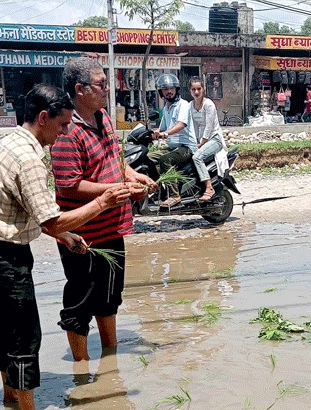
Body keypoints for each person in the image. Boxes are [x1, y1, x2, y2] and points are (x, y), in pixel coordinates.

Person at [0, 84, 131, 410]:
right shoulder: (28, 158)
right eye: (62, 125)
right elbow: (52, 220)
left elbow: (31, 211)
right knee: (24, 334)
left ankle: (10, 397)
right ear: (43, 118)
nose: (65, 132)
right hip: (4, 256)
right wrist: (103, 201)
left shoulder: (11, 142)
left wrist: (67, 235)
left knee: (4, 326)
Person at [51, 57, 156, 363]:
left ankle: (110, 359)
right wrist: (110, 192)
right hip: (83, 234)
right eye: (101, 84)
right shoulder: (66, 130)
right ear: (79, 89)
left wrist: (131, 176)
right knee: (81, 299)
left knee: (110, 296)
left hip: (112, 226)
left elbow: (114, 157)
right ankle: (82, 367)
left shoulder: (104, 117)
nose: (107, 89)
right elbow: (68, 186)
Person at [150, 73, 199, 208]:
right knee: (148, 157)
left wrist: (165, 134)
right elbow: (162, 128)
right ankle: (158, 190)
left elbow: (180, 125)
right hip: (172, 147)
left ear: (177, 89)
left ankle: (174, 195)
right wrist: (152, 133)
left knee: (165, 160)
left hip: (186, 147)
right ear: (161, 92)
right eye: (165, 89)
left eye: (171, 88)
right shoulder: (166, 107)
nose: (169, 91)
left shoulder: (183, 105)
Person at [189, 76, 226, 201]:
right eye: (193, 89)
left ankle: (209, 187)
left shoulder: (209, 104)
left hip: (214, 139)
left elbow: (209, 127)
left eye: (199, 89)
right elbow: (193, 126)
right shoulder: (190, 105)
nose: (196, 92)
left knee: (197, 157)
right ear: (190, 91)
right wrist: (194, 141)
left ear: (203, 89)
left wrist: (201, 143)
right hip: (201, 140)